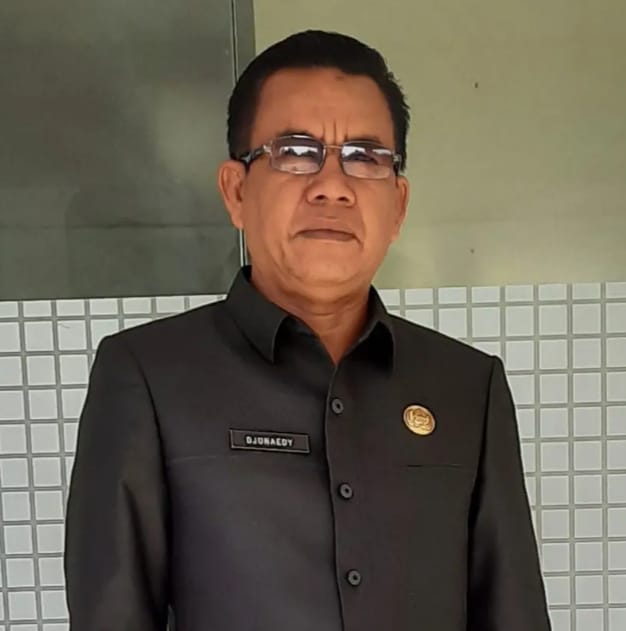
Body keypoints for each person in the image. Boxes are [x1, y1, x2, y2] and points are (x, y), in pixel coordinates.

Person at [64, 30, 552, 631]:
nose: (332, 185)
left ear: (398, 205)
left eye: (365, 157)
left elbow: (514, 614)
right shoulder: (148, 377)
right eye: (296, 152)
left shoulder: (467, 388)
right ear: (236, 191)